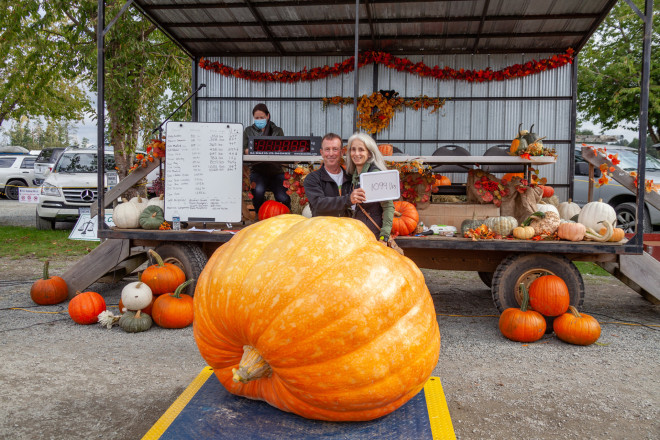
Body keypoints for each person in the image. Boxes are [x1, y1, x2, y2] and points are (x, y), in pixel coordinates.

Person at [345, 132, 394, 242]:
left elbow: (388, 206)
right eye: (353, 149)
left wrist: (384, 236)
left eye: (361, 149)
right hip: (360, 232)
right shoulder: (354, 174)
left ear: (370, 153)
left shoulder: (375, 175)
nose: (356, 153)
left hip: (373, 235)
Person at [243, 103, 291, 214]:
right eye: (257, 118)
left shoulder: (277, 131)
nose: (259, 120)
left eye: (262, 117)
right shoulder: (248, 131)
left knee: (283, 198)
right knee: (258, 192)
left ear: (268, 116)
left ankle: (287, 215)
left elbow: (282, 149)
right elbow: (244, 149)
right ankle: (259, 214)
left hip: (276, 171)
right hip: (258, 171)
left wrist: (255, 149)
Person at [303, 133, 354, 217]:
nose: (331, 154)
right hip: (323, 227)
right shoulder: (312, 178)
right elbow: (319, 204)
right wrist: (349, 199)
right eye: (327, 149)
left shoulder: (350, 177)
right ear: (322, 153)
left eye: (335, 149)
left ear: (342, 152)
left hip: (347, 227)